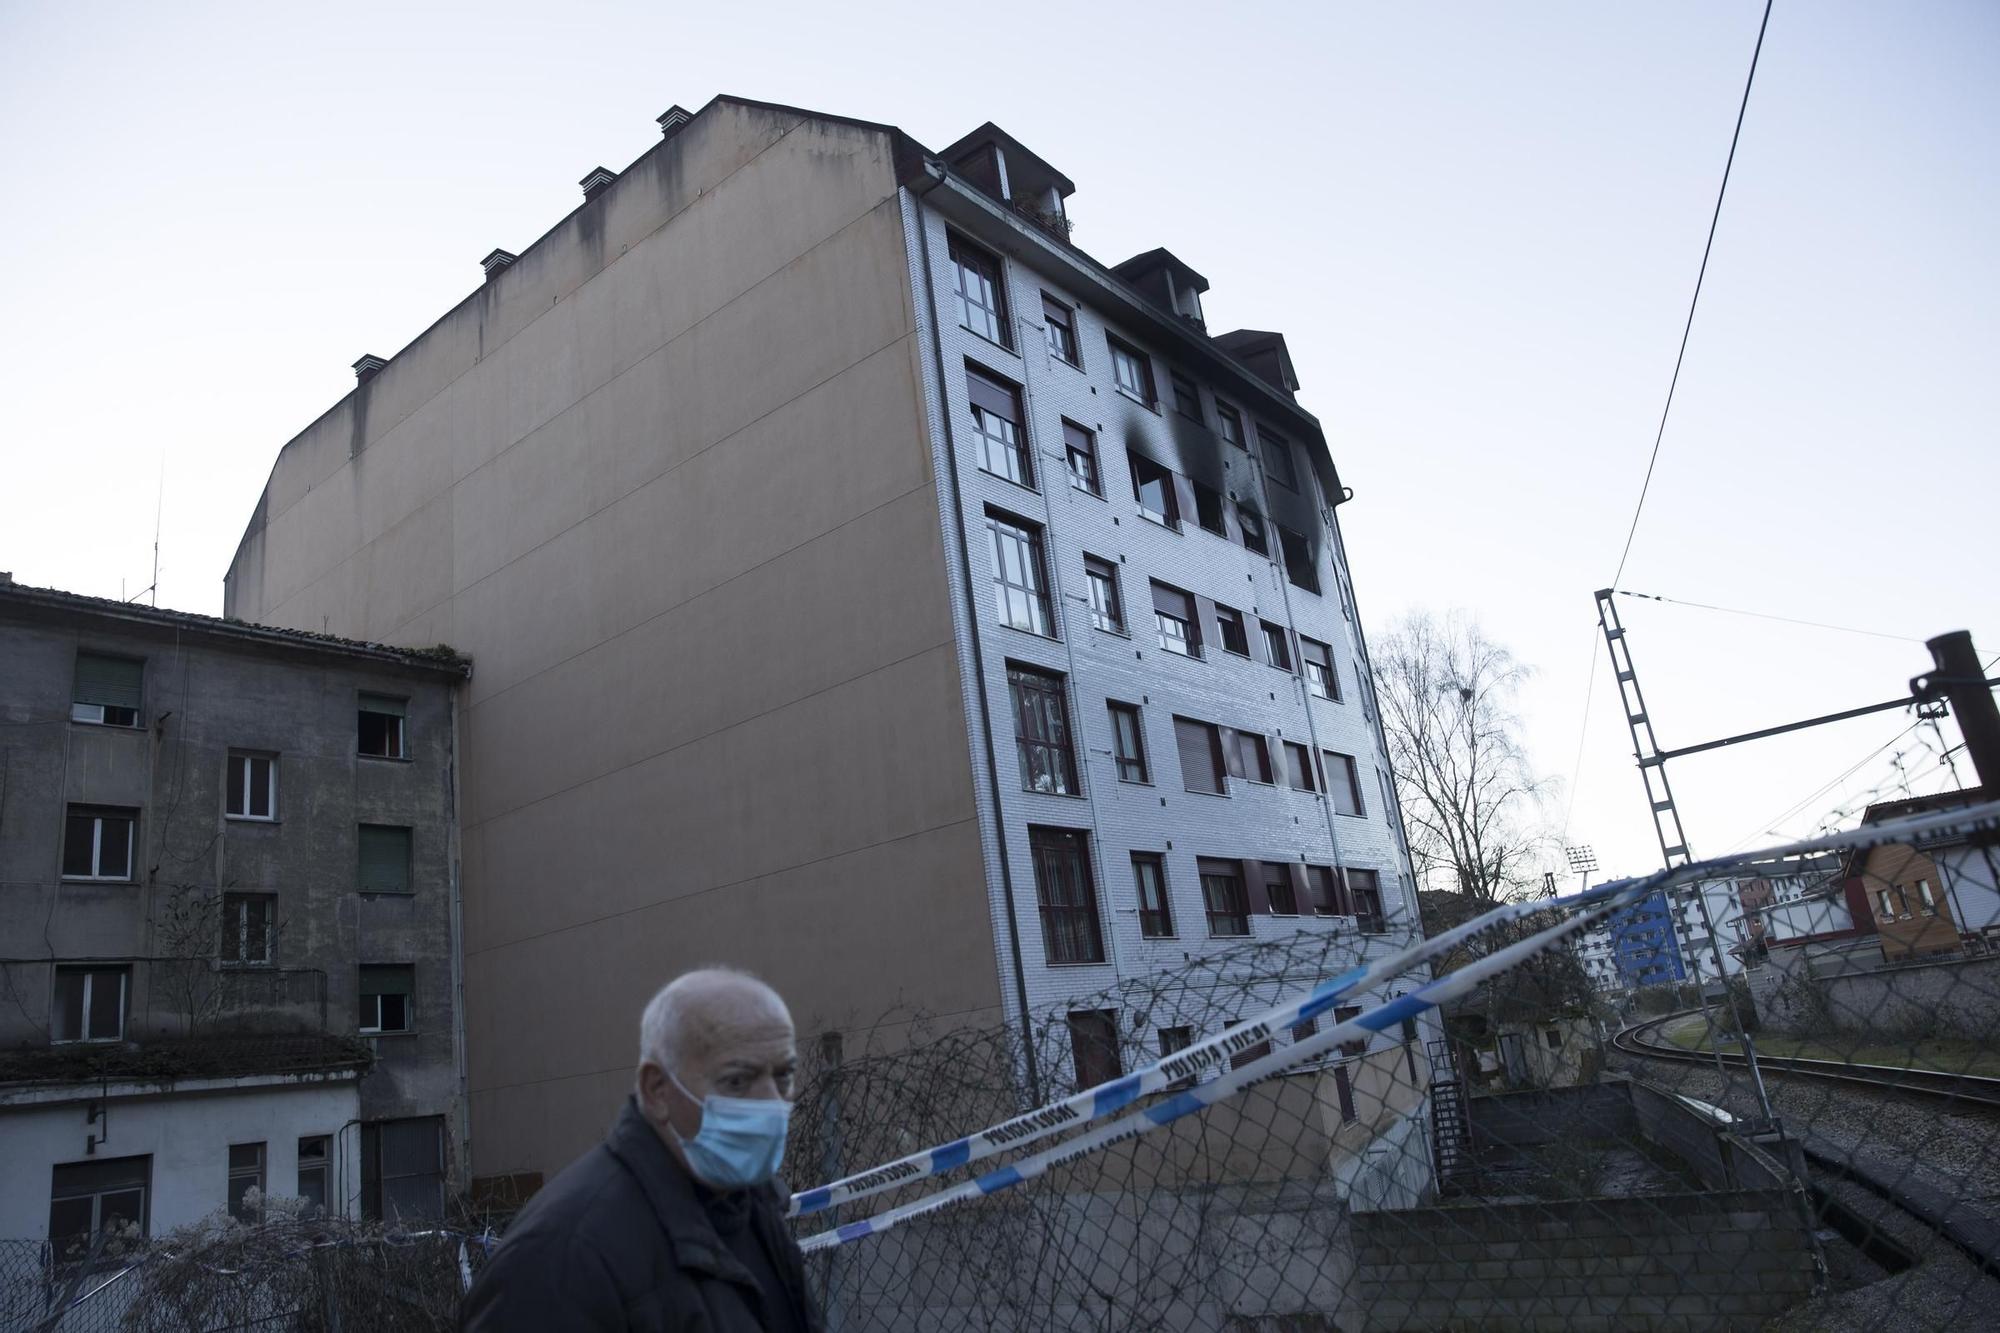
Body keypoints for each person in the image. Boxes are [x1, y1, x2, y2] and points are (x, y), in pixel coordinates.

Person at [460, 967, 823, 1331]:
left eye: (783, 1077)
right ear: (657, 1090)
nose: (771, 1104)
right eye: (737, 1081)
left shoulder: (750, 1207)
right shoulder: (561, 1257)